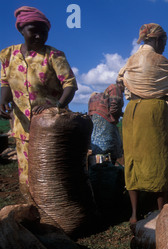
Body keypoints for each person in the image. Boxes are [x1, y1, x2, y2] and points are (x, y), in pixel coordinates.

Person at [0, 6, 78, 197]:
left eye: (43, 32)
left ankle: (54, 216)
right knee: (26, 174)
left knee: (51, 173)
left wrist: (56, 105)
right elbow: (5, 82)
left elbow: (70, 85)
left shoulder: (54, 56)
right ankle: (32, 211)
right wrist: (2, 101)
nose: (39, 36)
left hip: (50, 127)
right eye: (33, 31)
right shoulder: (7, 55)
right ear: (21, 30)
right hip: (23, 126)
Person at [117, 23, 168, 225]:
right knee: (159, 157)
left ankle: (134, 215)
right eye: (163, 42)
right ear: (156, 40)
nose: (164, 46)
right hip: (154, 111)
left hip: (132, 111)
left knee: (133, 158)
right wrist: (156, 90)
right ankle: (161, 211)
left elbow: (120, 82)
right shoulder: (160, 61)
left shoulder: (130, 61)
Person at [88, 80, 125, 164]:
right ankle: (106, 172)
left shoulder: (110, 89)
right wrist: (124, 115)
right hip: (105, 121)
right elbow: (114, 109)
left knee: (100, 149)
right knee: (107, 149)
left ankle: (99, 170)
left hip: (98, 121)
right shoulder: (115, 88)